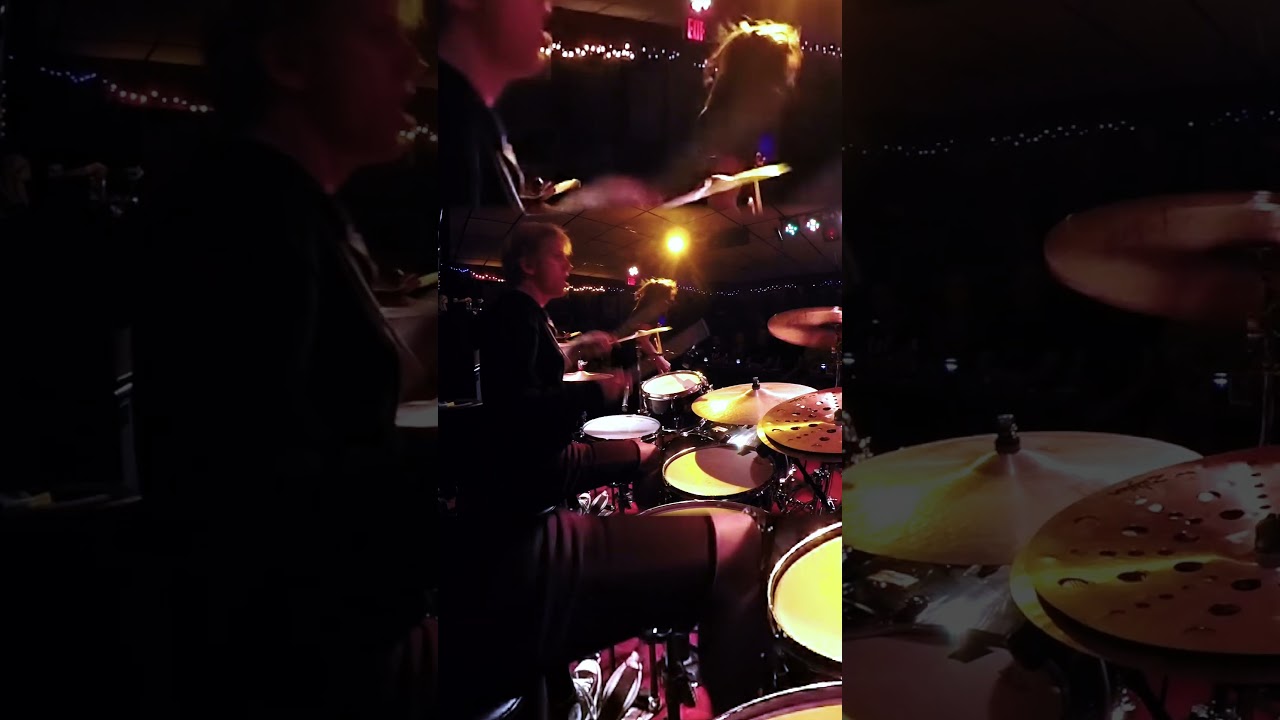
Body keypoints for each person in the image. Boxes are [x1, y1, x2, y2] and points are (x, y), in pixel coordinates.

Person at [131, 1, 435, 716]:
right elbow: (257, 494)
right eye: (379, 34)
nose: (412, 61)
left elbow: (308, 399)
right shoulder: (244, 217)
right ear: (289, 61)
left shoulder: (276, 202)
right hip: (297, 668)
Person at [443, 222, 771, 718]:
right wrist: (595, 390)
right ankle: (652, 581)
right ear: (528, 264)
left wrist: (574, 349)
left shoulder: (524, 313)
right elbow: (516, 411)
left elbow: (526, 373)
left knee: (646, 451)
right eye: (560, 256)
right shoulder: (512, 314)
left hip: (535, 475)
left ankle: (643, 545)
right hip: (529, 501)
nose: (570, 265)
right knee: (740, 538)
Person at [437, 0, 660, 211]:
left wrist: (585, 202)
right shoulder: (451, 122)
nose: (547, 8)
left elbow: (494, 229)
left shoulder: (476, 117)